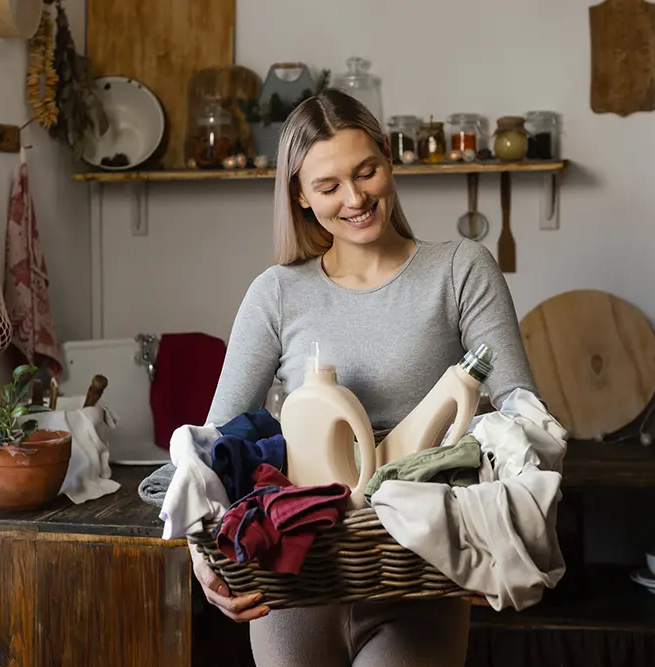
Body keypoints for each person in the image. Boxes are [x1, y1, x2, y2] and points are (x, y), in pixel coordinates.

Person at [191, 88, 538, 667]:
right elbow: (214, 445)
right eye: (328, 188)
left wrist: (503, 534)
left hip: (420, 573)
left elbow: (523, 418)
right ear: (299, 197)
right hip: (297, 579)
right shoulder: (277, 293)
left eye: (366, 171)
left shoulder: (458, 270)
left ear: (388, 158)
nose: (355, 199)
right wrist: (201, 555)